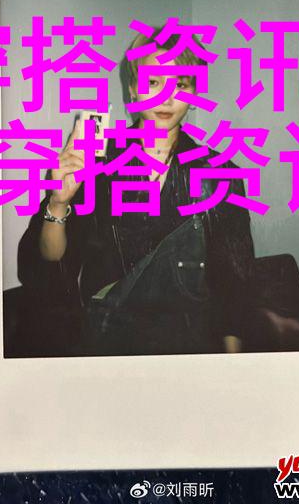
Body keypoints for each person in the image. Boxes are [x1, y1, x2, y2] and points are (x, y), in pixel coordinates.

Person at [17, 27, 259, 356]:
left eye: (181, 84)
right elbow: (47, 266)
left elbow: (234, 287)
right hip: (110, 345)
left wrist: (233, 368)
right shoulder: (96, 163)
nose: (166, 98)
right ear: (132, 89)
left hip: (189, 346)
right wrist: (58, 203)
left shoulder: (221, 174)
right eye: (153, 82)